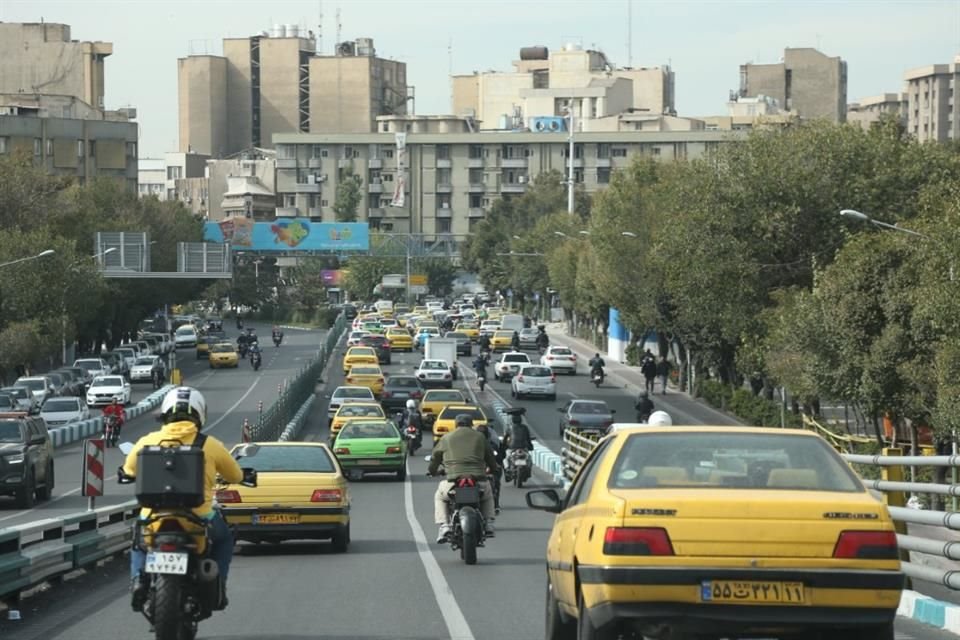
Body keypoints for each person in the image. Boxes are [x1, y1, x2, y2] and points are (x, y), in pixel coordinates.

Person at [124, 387, 243, 610]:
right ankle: (218, 586)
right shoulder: (209, 444)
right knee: (225, 539)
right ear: (199, 414)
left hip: (153, 516)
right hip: (199, 517)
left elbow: (129, 469)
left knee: (138, 543)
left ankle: (138, 580)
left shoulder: (147, 441)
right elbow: (235, 475)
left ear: (166, 412)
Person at [429, 414, 498, 543]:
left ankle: (444, 525)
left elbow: (435, 458)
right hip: (478, 480)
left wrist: (432, 471)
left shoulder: (446, 438)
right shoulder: (480, 437)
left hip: (453, 483)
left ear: (455, 424)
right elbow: (490, 458)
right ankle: (489, 522)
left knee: (440, 496)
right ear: (472, 424)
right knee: (488, 494)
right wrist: (494, 469)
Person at [474, 421, 502, 514]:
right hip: (476, 470)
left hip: (488, 468)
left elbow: (499, 456)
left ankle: (496, 504)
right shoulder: (472, 446)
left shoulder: (492, 444)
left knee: (497, 482)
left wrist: (497, 464)